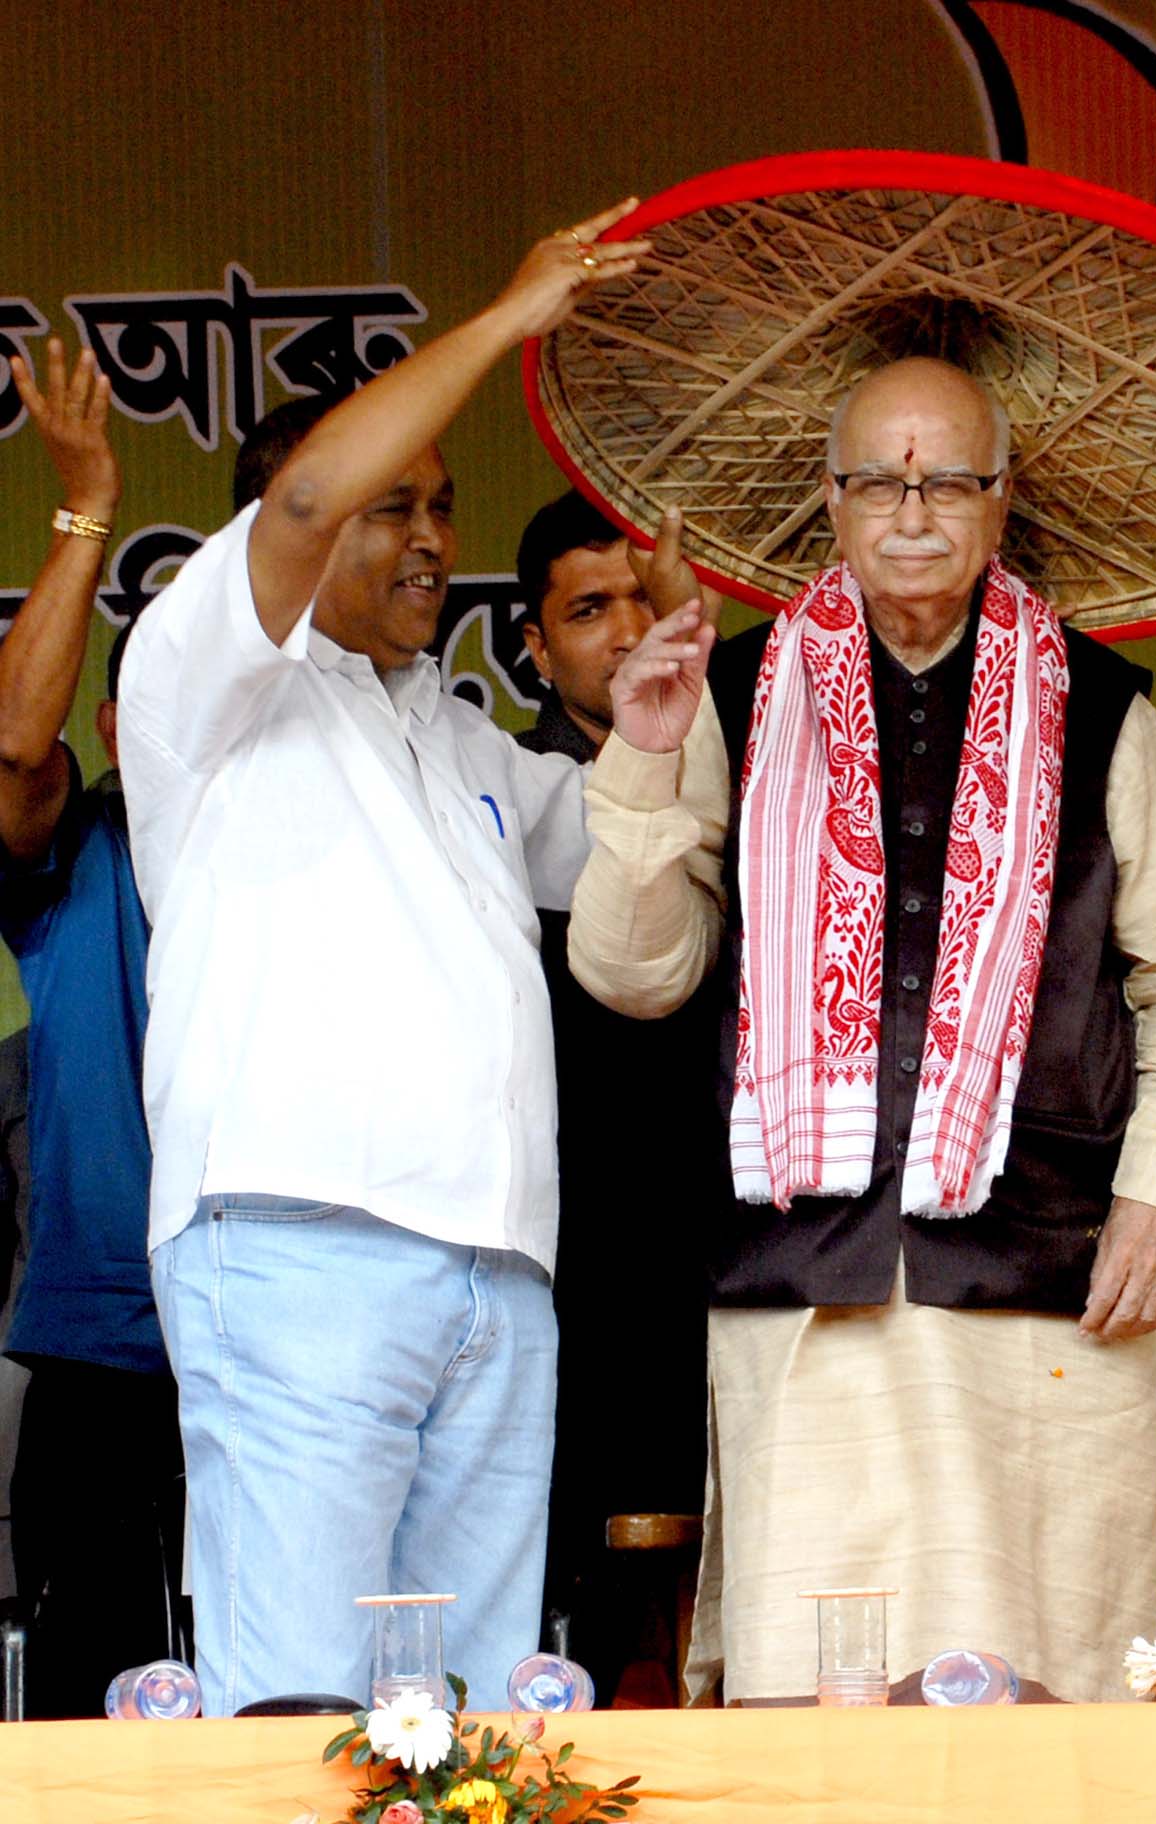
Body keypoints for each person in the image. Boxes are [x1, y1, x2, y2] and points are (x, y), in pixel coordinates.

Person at [568, 355, 1156, 1704]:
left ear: (1003, 501)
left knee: (1054, 1698)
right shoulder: (732, 695)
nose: (914, 508)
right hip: (807, 1291)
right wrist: (646, 758)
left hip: (1051, 1285)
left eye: (949, 478)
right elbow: (634, 975)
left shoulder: (1106, 709)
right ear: (832, 502)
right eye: (881, 478)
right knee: (825, 1695)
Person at [116, 203, 653, 1716]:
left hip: (497, 1270)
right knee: (303, 1717)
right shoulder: (200, 686)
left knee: (467, 1721)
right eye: (391, 507)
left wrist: (671, 703)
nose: (431, 540)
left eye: (443, 506)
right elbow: (295, 508)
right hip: (298, 1248)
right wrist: (504, 323)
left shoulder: (460, 733)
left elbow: (630, 851)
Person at [0, 340, 185, 1715]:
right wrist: (86, 506)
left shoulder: (323, 863)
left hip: (302, 1340)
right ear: (115, 724)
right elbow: (13, 746)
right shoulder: (74, 859)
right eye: (164, 695)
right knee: (90, 1724)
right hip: (108, 1360)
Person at [513, 491, 715, 1697]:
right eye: (592, 610)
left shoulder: (753, 769)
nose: (631, 628)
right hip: (579, 1269)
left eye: (647, 595)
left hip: (745, 1250)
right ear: (536, 650)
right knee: (592, 1624)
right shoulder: (511, 801)